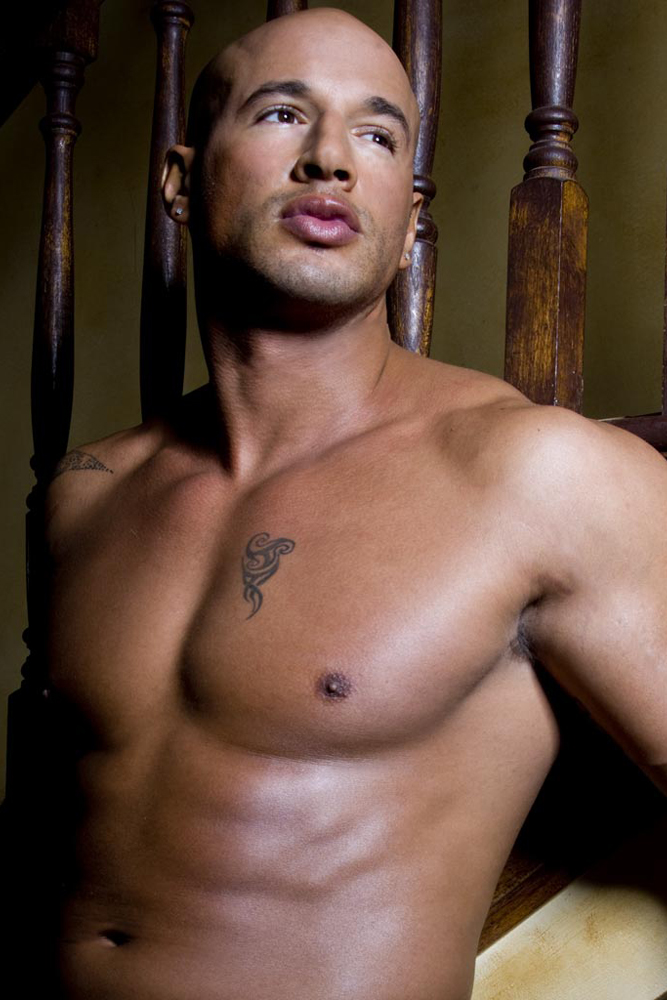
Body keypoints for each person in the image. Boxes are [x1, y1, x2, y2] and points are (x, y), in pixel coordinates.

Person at [31, 7, 667, 999]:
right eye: (283, 114)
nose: (329, 158)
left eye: (375, 135)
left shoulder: (538, 476)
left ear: (409, 219)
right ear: (179, 181)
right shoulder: (85, 496)